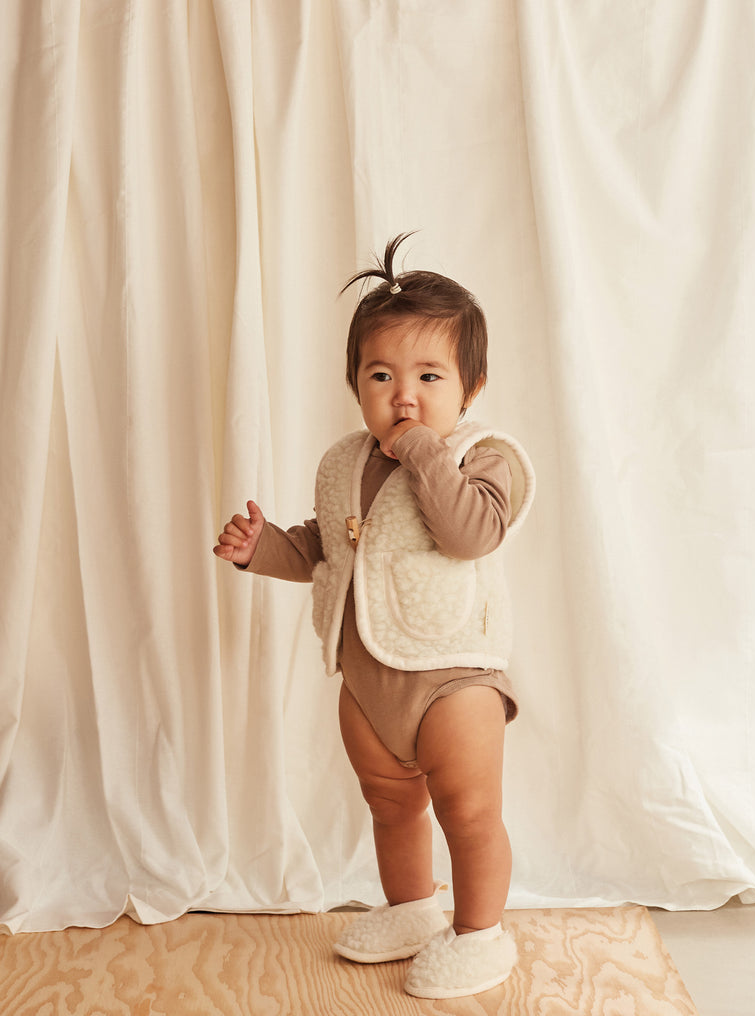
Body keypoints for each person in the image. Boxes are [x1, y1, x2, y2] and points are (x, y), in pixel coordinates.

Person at [214, 233, 535, 999]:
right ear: (354, 381)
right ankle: (413, 908)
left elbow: (469, 533)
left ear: (472, 385)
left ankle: (481, 934)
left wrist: (425, 451)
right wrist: (263, 550)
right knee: (392, 804)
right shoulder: (344, 461)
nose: (403, 395)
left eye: (429, 376)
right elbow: (328, 549)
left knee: (469, 809)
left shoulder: (488, 456)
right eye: (381, 374)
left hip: (454, 674)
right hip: (367, 674)